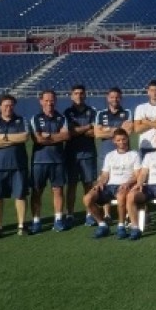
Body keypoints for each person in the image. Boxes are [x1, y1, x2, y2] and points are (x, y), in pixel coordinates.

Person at [0, 94, 29, 239]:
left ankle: (21, 225)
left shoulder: (21, 120)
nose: (8, 108)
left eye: (11, 105)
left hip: (19, 165)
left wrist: (3, 138)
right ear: (0, 107)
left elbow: (24, 137)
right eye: (5, 105)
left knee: (20, 195)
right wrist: (13, 139)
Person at [83, 128, 140, 239]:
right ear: (114, 141)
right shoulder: (110, 155)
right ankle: (102, 225)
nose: (121, 142)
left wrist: (128, 183)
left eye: (124, 139)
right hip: (109, 186)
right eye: (118, 140)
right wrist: (100, 183)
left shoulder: (134, 155)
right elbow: (105, 174)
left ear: (127, 139)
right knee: (87, 198)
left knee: (121, 195)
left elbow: (137, 175)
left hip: (125, 186)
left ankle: (121, 226)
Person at [29, 89, 70, 233]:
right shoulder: (35, 118)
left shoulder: (62, 118)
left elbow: (66, 136)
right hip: (39, 161)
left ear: (55, 101)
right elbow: (38, 139)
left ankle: (58, 220)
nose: (49, 103)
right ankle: (36, 221)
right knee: (37, 191)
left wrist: (47, 136)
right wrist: (55, 136)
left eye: (52, 100)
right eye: (46, 100)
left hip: (58, 161)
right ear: (41, 101)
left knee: (58, 190)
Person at [93, 87, 133, 221]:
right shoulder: (100, 114)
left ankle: (127, 213)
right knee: (105, 181)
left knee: (125, 180)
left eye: (117, 97)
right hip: (105, 153)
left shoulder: (127, 112)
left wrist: (108, 130)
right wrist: (118, 130)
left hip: (124, 153)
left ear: (120, 98)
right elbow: (97, 134)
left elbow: (128, 131)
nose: (114, 99)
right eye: (112, 97)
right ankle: (107, 214)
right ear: (107, 98)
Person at [63, 84, 97, 227]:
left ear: (85, 95)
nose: (79, 96)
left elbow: (95, 132)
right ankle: (70, 214)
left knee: (88, 184)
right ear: (71, 96)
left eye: (81, 93)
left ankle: (90, 214)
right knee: (71, 185)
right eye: (76, 93)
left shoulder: (92, 111)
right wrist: (87, 127)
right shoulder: (67, 112)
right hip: (71, 153)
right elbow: (69, 133)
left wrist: (78, 130)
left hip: (88, 153)